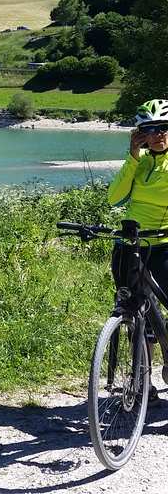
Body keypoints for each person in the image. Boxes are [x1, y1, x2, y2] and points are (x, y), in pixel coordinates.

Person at [108, 99, 168, 402]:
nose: (157, 134)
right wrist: (132, 156)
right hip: (130, 244)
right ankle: (142, 381)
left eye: (163, 128)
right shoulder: (139, 161)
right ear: (139, 133)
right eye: (149, 129)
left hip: (163, 245)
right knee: (133, 309)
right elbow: (114, 198)